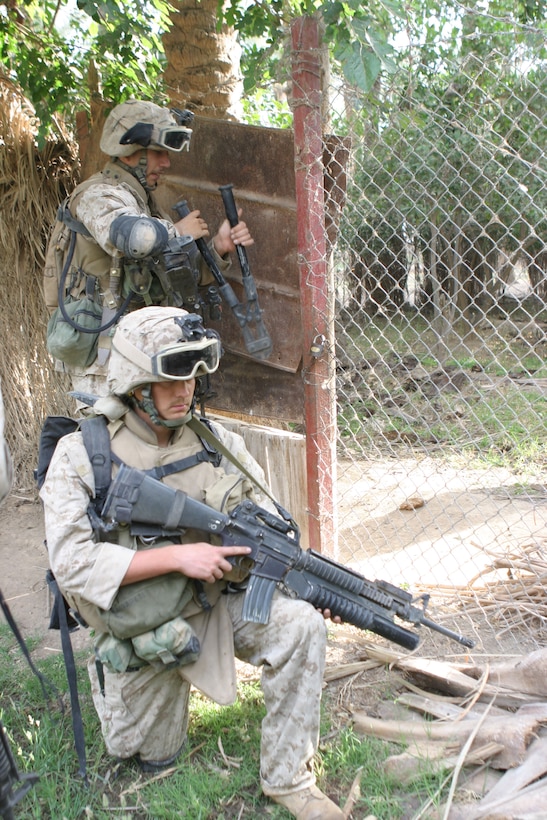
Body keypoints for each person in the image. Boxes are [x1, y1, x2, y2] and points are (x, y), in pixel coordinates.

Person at [40, 306, 344, 819]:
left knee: (302, 625)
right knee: (145, 756)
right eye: (170, 379)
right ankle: (125, 677)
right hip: (145, 623)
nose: (186, 390)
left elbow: (269, 534)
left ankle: (289, 778)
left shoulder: (219, 444)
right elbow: (71, 562)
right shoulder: (82, 454)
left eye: (194, 376)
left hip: (217, 603)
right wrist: (181, 556)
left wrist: (312, 589)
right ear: (137, 385)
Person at [43, 99, 254, 403]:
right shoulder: (99, 194)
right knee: (108, 446)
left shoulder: (140, 201)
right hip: (104, 362)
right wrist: (176, 231)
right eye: (158, 152)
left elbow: (173, 272)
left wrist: (219, 247)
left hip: (137, 351)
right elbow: (135, 239)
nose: (166, 163)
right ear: (130, 152)